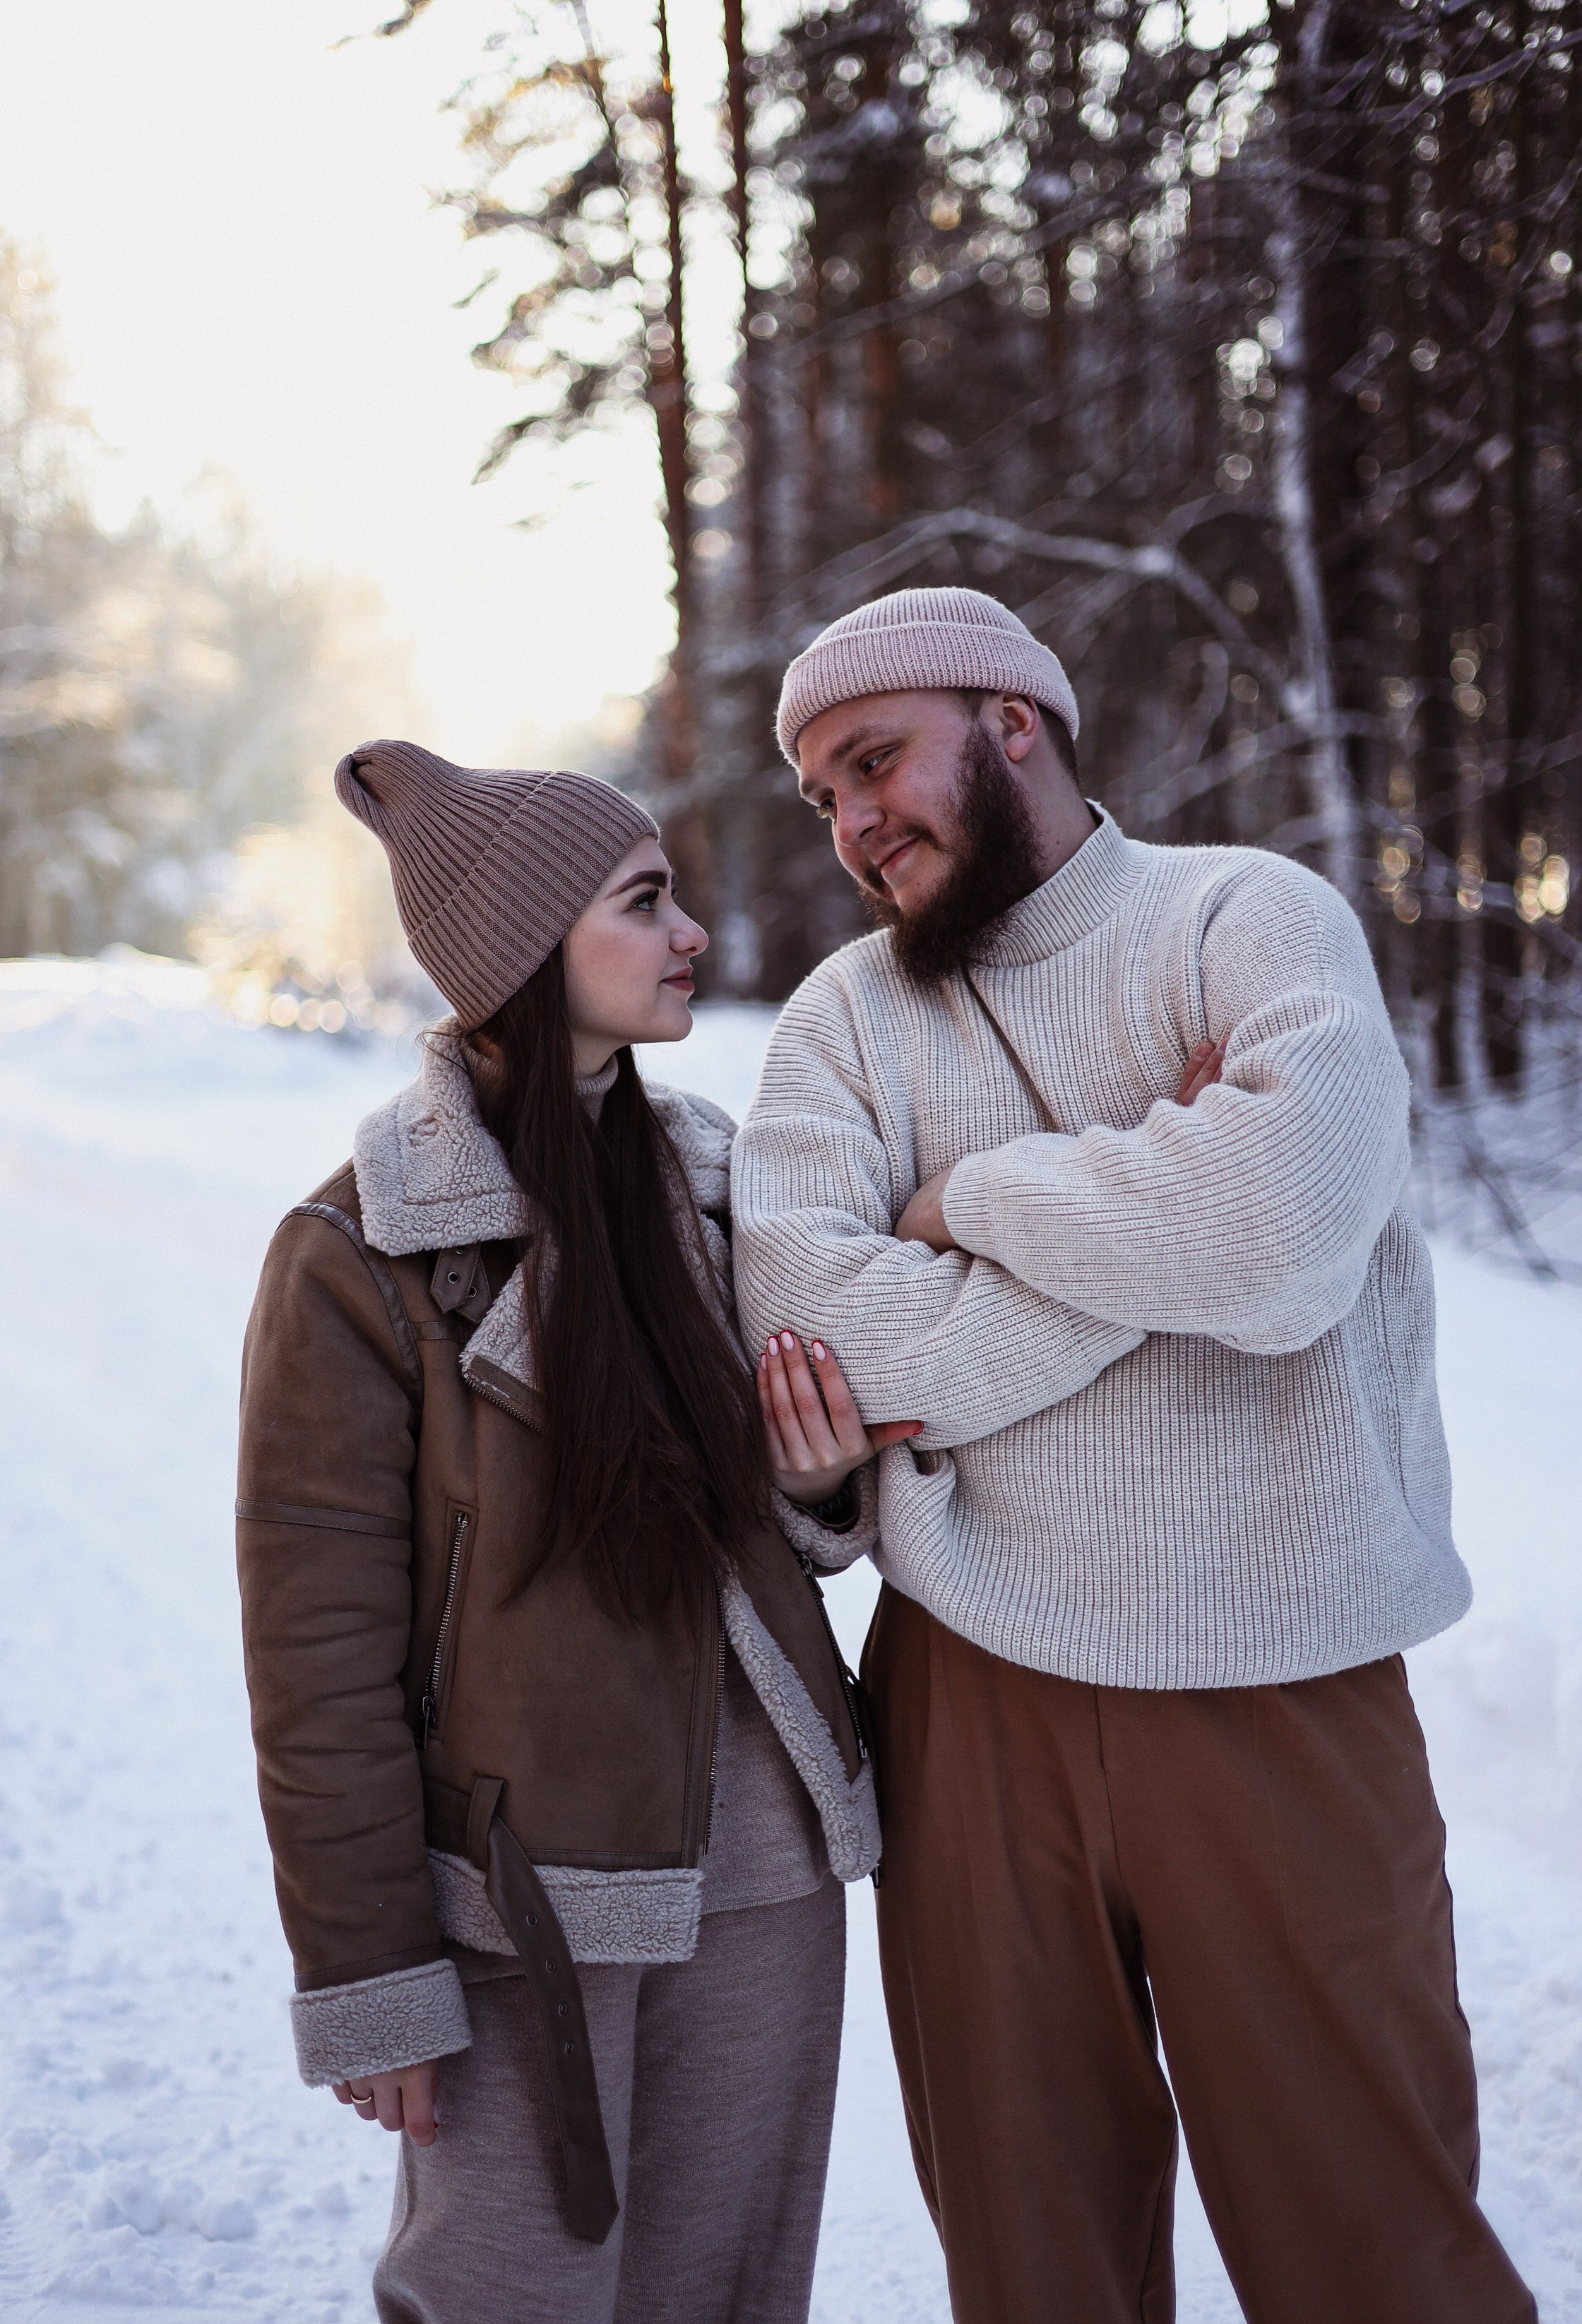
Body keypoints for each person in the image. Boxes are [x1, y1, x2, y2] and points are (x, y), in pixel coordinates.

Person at [730, 587, 1535, 2324]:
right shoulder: (841, 1023)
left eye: (876, 762)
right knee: (1035, 2267)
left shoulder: (1246, 919)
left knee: (1373, 2246)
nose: (855, 825)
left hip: (1283, 1685)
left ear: (1011, 724)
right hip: (967, 1709)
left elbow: (1291, 1224)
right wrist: (1155, 1243)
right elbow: (810, 1311)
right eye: (822, 799)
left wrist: (964, 1207)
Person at [235, 741, 917, 2324]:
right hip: (521, 1891)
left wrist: (817, 1488)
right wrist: (370, 1978)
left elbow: (782, 1523)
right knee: (509, 2289)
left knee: (732, 2288)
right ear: (531, 951)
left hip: (766, 1859)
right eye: (645, 900)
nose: (690, 934)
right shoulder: (358, 1260)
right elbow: (316, 1660)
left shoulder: (717, 1186)